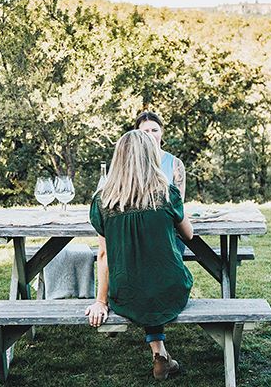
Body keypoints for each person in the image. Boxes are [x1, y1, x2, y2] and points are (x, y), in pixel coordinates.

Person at [85, 130, 194, 380]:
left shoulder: (103, 201)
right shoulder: (167, 193)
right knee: (154, 281)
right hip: (171, 288)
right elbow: (188, 234)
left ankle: (160, 352)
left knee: (142, 283)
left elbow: (103, 255)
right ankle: (161, 354)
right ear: (150, 156)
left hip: (126, 293)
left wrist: (101, 301)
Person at [134, 111, 186, 199]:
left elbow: (179, 203)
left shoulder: (175, 164)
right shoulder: (131, 162)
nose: (151, 135)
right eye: (146, 131)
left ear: (161, 131)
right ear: (137, 134)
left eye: (154, 130)